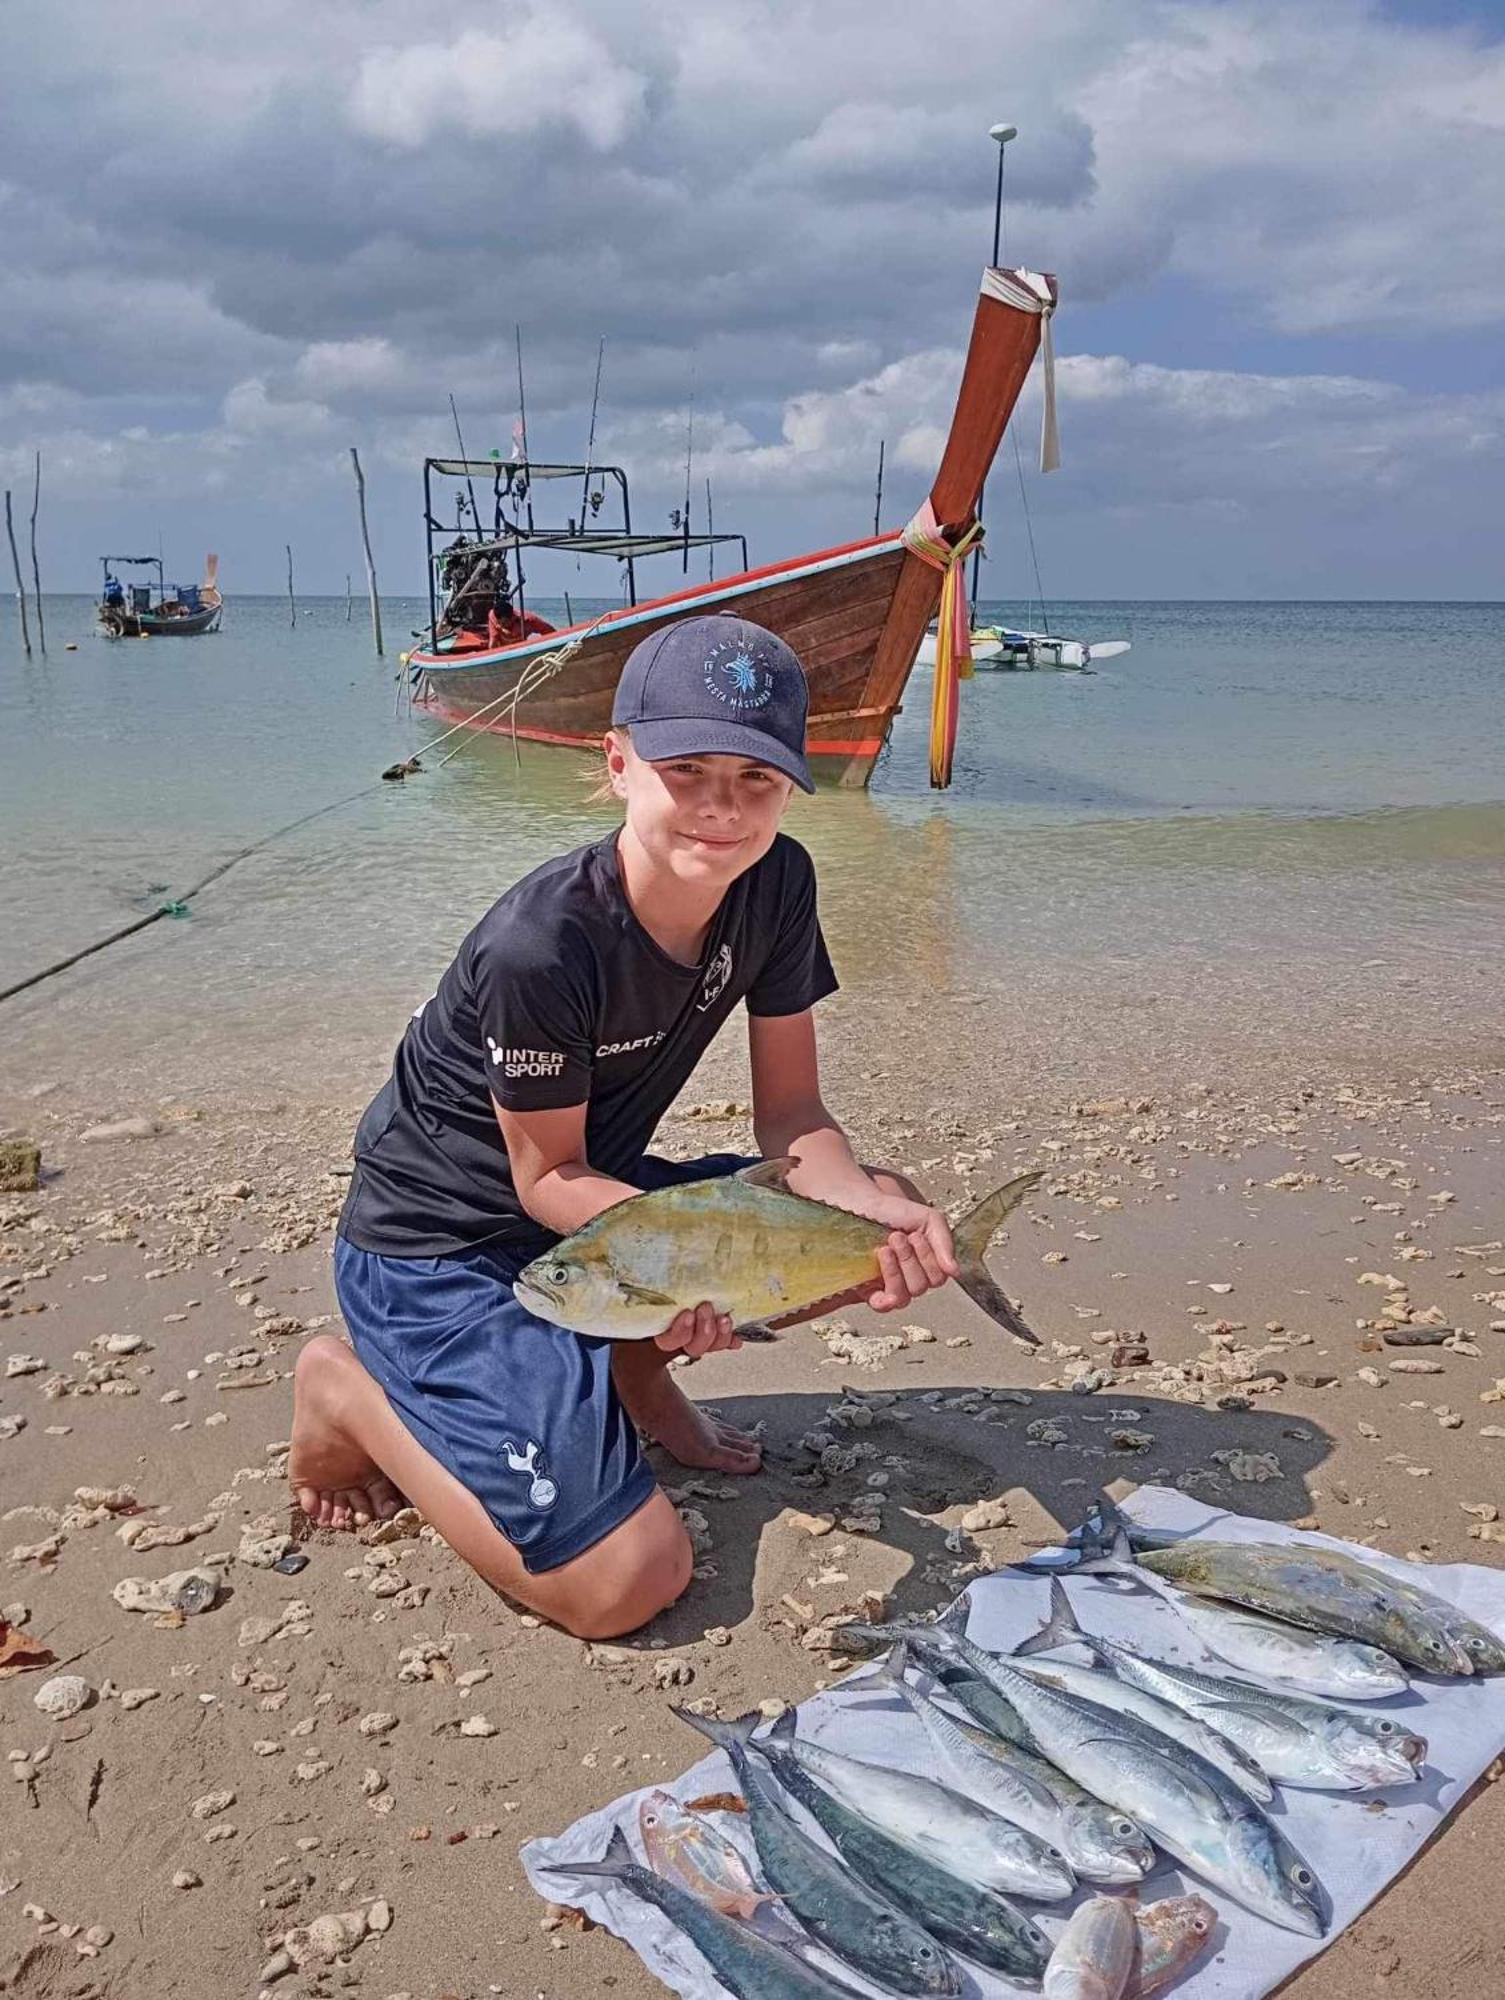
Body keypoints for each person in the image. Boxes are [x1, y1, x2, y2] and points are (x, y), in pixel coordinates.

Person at [290, 614, 959, 1638]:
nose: (720, 808)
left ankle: (628, 1368)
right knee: (626, 1583)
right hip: (442, 1239)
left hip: (594, 1211)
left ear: (790, 784)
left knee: (890, 1212)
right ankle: (349, 1394)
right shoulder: (542, 943)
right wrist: (677, 1263)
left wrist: (866, 1206)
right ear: (617, 763)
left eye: (756, 779)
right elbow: (545, 1178)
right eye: (684, 768)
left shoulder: (776, 883)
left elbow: (794, 1115)